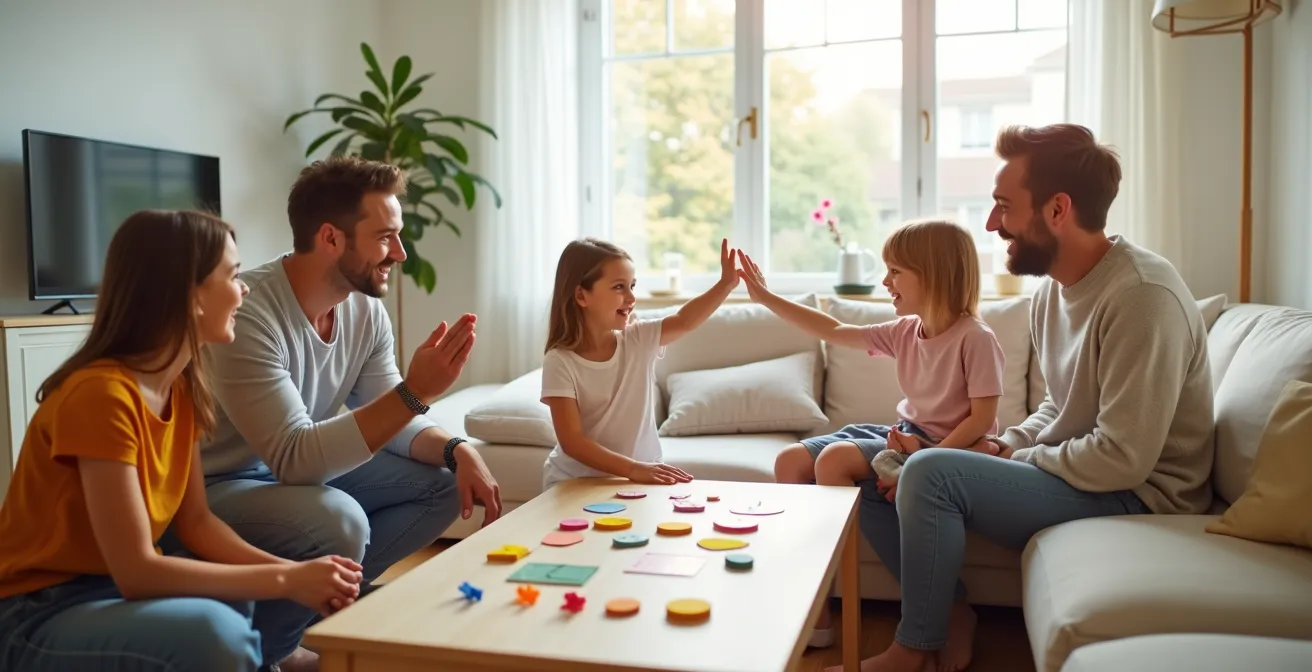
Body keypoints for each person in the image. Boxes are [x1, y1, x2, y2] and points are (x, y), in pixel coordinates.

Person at [836, 123, 1215, 672]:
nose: (990, 224)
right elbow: (1059, 407)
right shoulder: (1051, 293)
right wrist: (999, 443)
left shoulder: (1141, 297)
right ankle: (950, 617)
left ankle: (913, 649)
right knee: (883, 465)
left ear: (1057, 210)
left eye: (1002, 207)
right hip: (1082, 473)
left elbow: (1124, 458)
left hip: (1141, 494)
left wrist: (1011, 456)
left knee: (930, 471)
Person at [0, 210, 364, 671]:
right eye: (233, 275)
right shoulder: (102, 396)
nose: (244, 288)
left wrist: (297, 576)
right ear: (190, 296)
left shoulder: (179, 386)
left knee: (238, 606)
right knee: (217, 633)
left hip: (105, 590)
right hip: (39, 609)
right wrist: (285, 578)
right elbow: (136, 572)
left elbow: (196, 523)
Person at [197, 156, 503, 671]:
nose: (400, 254)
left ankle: (301, 621)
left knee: (448, 481)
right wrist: (416, 390)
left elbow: (396, 421)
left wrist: (456, 448)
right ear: (331, 239)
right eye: (385, 237)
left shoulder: (364, 311)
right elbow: (296, 458)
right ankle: (267, 656)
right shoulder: (250, 311)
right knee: (339, 521)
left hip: (287, 473)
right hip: (222, 484)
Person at [736, 220, 1006, 649]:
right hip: (903, 436)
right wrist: (766, 297)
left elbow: (981, 420)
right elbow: (834, 331)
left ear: (933, 274)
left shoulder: (975, 338)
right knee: (789, 461)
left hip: (948, 450)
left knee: (834, 460)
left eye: (896, 271)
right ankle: (817, 604)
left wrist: (921, 462)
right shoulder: (906, 330)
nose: (885, 281)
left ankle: (953, 604)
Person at [539, 237, 740, 490]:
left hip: (643, 475)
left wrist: (725, 285)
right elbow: (572, 441)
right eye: (619, 287)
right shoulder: (560, 361)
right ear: (581, 295)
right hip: (576, 481)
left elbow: (684, 320)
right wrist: (633, 469)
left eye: (632, 286)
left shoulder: (638, 338)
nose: (631, 297)